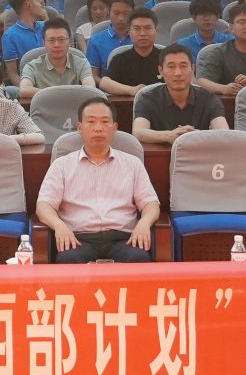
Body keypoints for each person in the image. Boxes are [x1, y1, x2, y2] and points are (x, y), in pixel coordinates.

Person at [37, 100, 159, 263]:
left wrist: (144, 222)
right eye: (91, 121)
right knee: (68, 261)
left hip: (123, 238)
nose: (98, 128)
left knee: (138, 258)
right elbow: (44, 206)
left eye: (105, 121)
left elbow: (151, 203)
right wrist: (59, 226)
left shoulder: (132, 164)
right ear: (79, 127)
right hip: (78, 238)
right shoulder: (62, 165)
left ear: (114, 128)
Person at [130, 46, 227, 145]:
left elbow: (224, 133)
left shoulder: (209, 98)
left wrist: (195, 136)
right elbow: (138, 132)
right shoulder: (147, 98)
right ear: (161, 71)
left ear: (192, 69)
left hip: (198, 152)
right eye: (171, 67)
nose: (178, 73)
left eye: (183, 66)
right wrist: (168, 136)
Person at [17, 18, 94, 101]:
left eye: (61, 39)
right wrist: (59, 94)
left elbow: (90, 89)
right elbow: (24, 90)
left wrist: (51, 93)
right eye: (51, 40)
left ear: (70, 42)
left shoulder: (81, 63)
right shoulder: (32, 66)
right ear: (44, 43)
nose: (56, 45)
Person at [100, 9, 167, 95]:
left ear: (156, 31)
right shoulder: (120, 59)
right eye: (137, 29)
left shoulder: (166, 58)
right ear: (129, 32)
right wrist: (131, 90)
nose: (142, 33)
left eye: (147, 28)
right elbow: (104, 83)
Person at [86, 0, 135, 74]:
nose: (120, 18)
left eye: (125, 14)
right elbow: (93, 75)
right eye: (116, 13)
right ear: (109, 11)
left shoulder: (140, 38)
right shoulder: (96, 41)